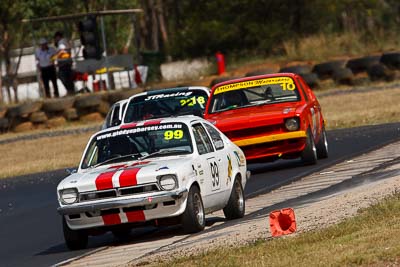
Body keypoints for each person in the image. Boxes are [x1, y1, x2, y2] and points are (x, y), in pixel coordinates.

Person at [54, 31, 75, 95]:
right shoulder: (65, 41)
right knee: (68, 77)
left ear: (58, 37)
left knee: (63, 76)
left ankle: (70, 90)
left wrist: (56, 57)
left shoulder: (61, 42)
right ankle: (71, 90)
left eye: (56, 38)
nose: (55, 39)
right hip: (66, 61)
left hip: (64, 62)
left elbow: (62, 51)